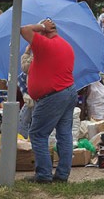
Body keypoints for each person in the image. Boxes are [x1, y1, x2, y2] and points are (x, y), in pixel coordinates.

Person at [20, 18, 77, 184]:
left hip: (53, 96)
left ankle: (44, 175)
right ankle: (62, 175)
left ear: (44, 30)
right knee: (64, 134)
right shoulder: (65, 45)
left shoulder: (45, 44)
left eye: (41, 29)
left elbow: (24, 29)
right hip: (68, 91)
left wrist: (40, 26)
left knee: (38, 134)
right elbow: (38, 68)